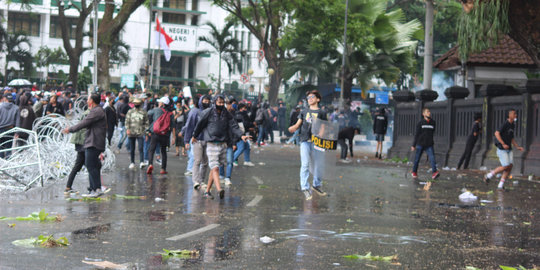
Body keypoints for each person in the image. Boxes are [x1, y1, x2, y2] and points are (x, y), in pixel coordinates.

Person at [192, 95, 248, 199]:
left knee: (214, 168)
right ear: (214, 103)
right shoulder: (208, 112)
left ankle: (207, 191)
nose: (221, 105)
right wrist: (194, 136)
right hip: (211, 143)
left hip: (223, 144)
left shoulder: (226, 113)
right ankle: (219, 189)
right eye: (219, 103)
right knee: (215, 167)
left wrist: (242, 135)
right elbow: (200, 124)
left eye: (223, 103)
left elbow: (234, 125)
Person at [62, 94, 107, 198]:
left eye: (88, 99)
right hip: (92, 141)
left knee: (91, 165)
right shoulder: (97, 111)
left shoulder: (96, 111)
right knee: (93, 165)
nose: (87, 101)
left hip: (93, 142)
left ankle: (96, 189)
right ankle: (94, 188)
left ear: (91, 101)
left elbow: (84, 123)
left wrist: (70, 129)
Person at [288, 90, 328, 200]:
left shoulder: (322, 113)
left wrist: (320, 135)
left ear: (318, 99)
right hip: (305, 141)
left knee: (318, 165)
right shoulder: (304, 111)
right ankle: (305, 187)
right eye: (308, 97)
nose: (310, 99)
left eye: (312, 97)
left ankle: (316, 185)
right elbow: (298, 124)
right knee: (305, 164)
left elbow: (323, 127)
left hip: (317, 142)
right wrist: (293, 128)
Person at [483, 109, 524, 189]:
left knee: (510, 166)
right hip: (502, 149)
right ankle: (489, 175)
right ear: (509, 115)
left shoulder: (512, 125)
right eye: (514, 113)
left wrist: (517, 146)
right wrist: (503, 143)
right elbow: (496, 133)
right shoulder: (505, 124)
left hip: (509, 149)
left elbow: (511, 138)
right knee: (506, 166)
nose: (516, 115)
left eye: (515, 113)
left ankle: (500, 185)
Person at [146, 97, 174, 174]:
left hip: (155, 133)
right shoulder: (170, 113)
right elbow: (172, 126)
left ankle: (150, 164)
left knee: (151, 150)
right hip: (165, 134)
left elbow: (148, 113)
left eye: (160, 102)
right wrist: (171, 136)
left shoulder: (156, 110)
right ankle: (163, 169)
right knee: (163, 151)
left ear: (162, 104)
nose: (159, 103)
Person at [64, 109, 89, 195]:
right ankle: (95, 187)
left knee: (79, 165)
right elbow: (82, 128)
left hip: (81, 142)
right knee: (91, 166)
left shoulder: (89, 114)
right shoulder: (89, 114)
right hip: (82, 143)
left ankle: (68, 187)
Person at [411, 108, 440, 180]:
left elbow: (432, 132)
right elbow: (417, 134)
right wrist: (413, 145)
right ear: (423, 114)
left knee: (432, 158)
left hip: (429, 144)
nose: (429, 113)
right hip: (420, 144)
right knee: (417, 159)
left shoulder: (433, 122)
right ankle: (414, 171)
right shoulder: (420, 123)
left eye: (429, 111)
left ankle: (434, 172)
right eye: (427, 112)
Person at [125, 98, 149, 169]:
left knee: (141, 148)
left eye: (138, 103)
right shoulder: (130, 111)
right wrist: (127, 129)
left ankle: (141, 162)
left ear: (140, 104)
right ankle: (132, 162)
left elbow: (146, 123)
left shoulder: (144, 112)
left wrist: (147, 132)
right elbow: (127, 121)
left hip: (140, 132)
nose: (136, 105)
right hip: (131, 132)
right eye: (135, 103)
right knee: (132, 148)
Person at [0, 94, 20, 158]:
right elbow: (18, 120)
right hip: (10, 129)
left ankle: (2, 163)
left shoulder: (0, 106)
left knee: (1, 147)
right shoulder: (16, 108)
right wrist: (17, 132)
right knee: (8, 147)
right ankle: (8, 162)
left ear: (5, 99)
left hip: (1, 129)